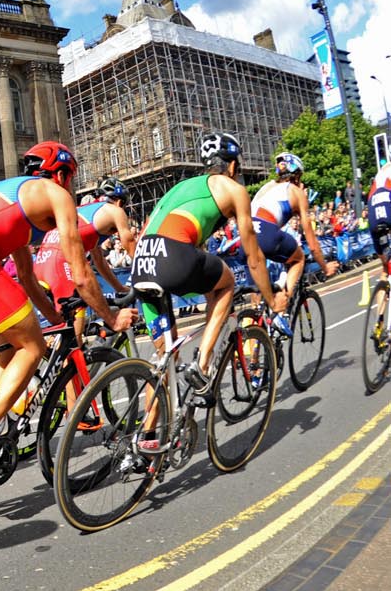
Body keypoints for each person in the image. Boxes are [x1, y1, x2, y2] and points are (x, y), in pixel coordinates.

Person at [0, 141, 136, 475]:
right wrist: (111, 318)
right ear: (61, 173)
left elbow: (27, 278)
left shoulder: (11, 194)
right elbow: (82, 275)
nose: (69, 186)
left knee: (13, 335)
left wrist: (56, 319)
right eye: (69, 178)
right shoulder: (56, 195)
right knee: (33, 345)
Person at [131, 133, 281, 428]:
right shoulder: (233, 189)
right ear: (234, 166)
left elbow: (157, 231)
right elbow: (254, 256)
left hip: (142, 263)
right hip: (171, 257)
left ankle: (145, 440)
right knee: (226, 284)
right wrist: (271, 299)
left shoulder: (181, 186)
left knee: (165, 359)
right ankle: (202, 363)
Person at [30, 177, 135, 335]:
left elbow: (99, 261)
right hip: (60, 264)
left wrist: (119, 288)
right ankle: (73, 352)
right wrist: (148, 274)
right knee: (75, 340)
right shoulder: (115, 211)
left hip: (42, 263)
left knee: (64, 327)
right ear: (120, 202)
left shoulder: (86, 211)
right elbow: (129, 242)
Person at [249, 153, 340, 311]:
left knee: (257, 291)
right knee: (298, 259)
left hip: (246, 237)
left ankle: (253, 326)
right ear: (297, 175)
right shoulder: (296, 192)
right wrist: (325, 268)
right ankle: (283, 304)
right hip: (266, 233)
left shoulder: (266, 188)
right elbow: (312, 243)